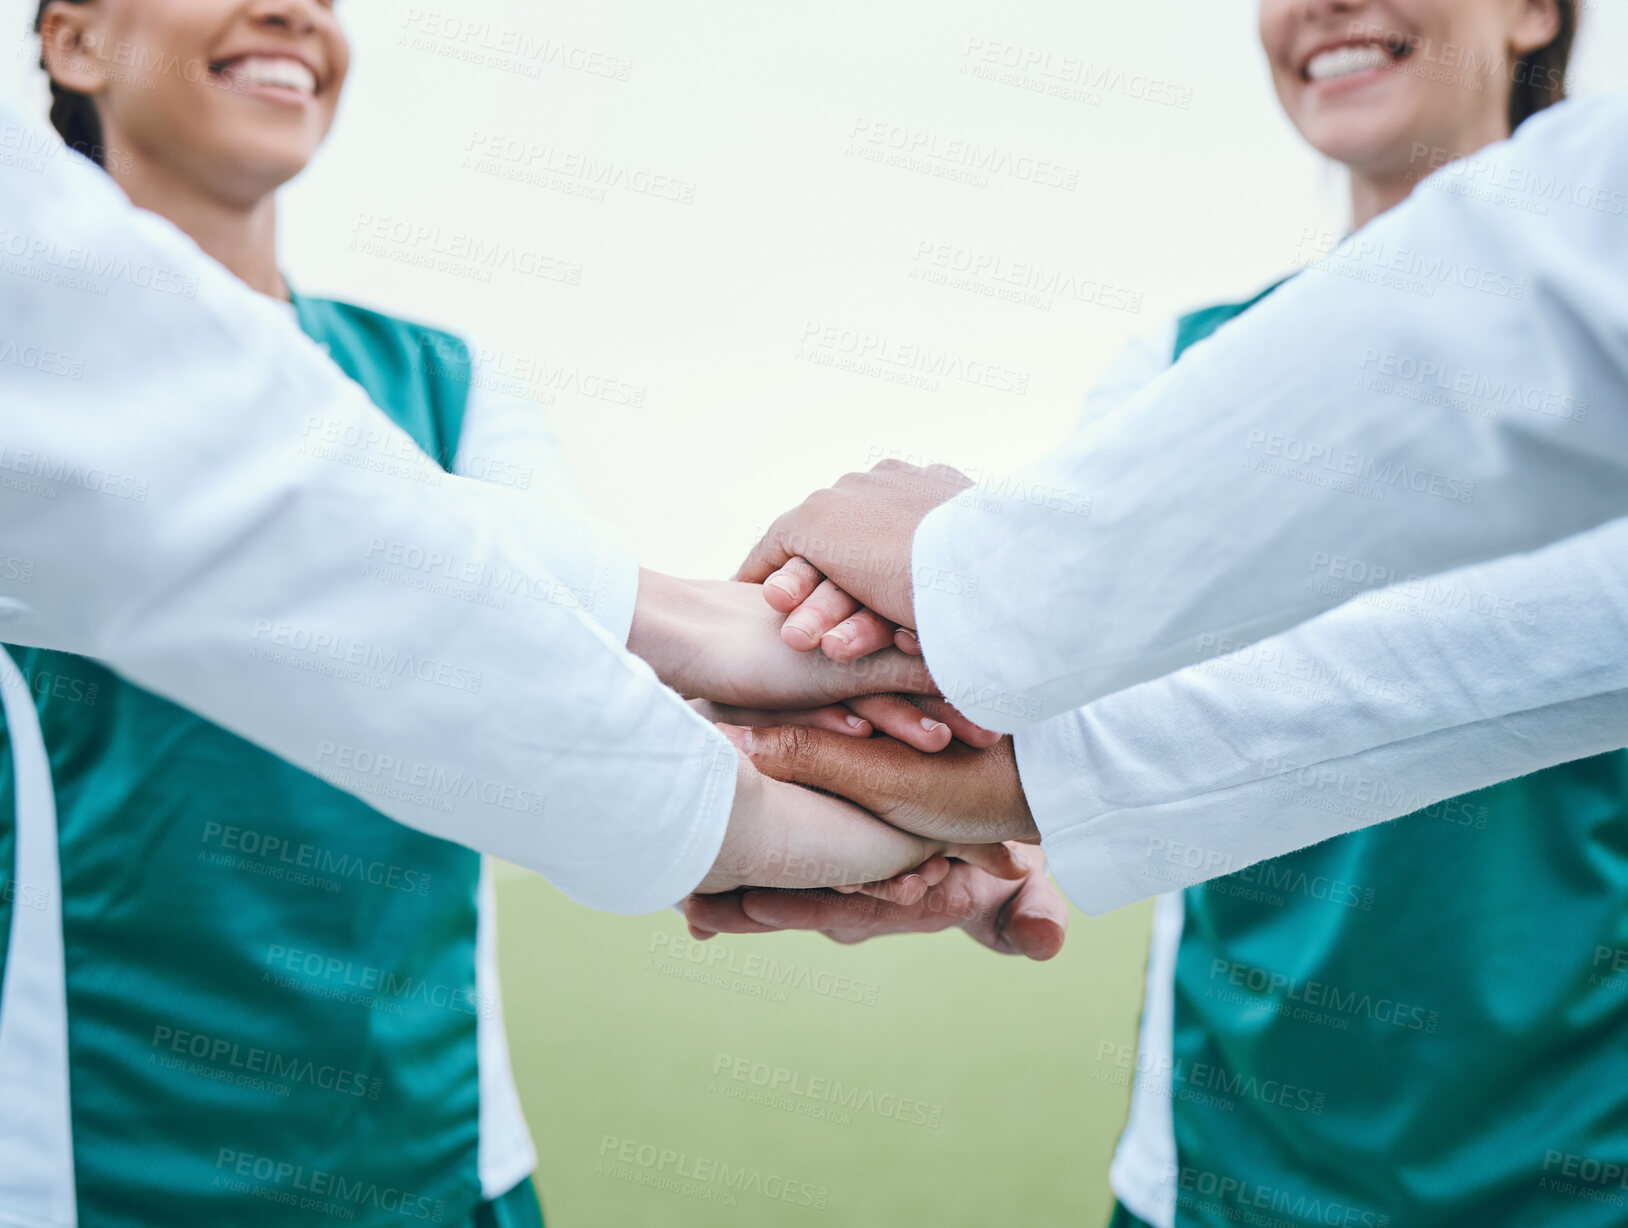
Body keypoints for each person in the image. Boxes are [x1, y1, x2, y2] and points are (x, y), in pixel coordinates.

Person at [0, 3, 1032, 1225]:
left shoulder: (445, 379)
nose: (292, 11)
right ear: (70, 42)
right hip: (101, 1173)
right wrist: (909, 790)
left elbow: (581, 660)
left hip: (447, 1166)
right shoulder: (35, 400)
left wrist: (921, 766)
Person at [694, 1, 1628, 1223]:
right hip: (1222, 1170)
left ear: (1530, 12)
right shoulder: (1172, 373)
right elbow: (1048, 736)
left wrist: (965, 639)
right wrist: (968, 829)